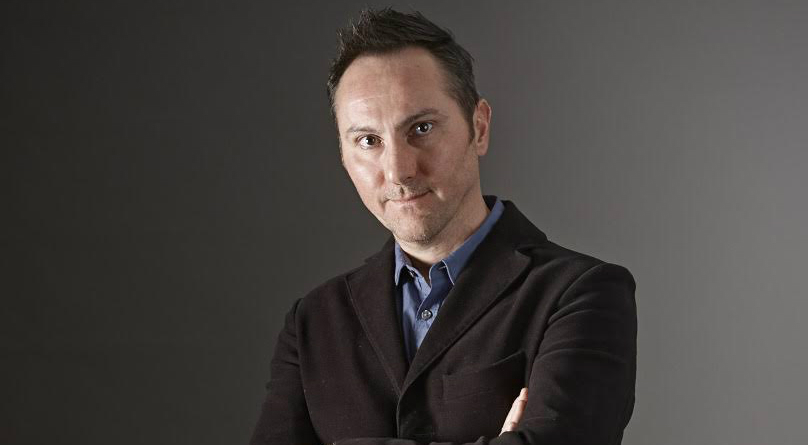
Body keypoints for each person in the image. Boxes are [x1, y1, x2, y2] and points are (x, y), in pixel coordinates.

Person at [250, 8, 636, 445]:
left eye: (421, 128)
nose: (398, 170)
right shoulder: (313, 320)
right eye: (368, 140)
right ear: (343, 154)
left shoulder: (581, 293)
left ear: (479, 127)